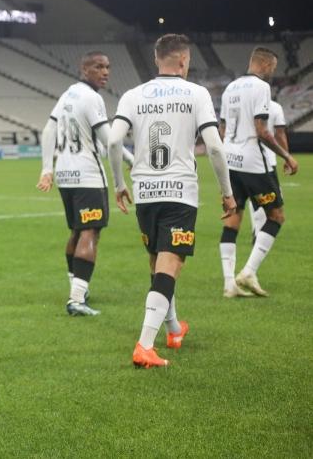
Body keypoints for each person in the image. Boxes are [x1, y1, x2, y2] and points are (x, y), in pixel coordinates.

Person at [108, 34, 237, 368]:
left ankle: (174, 329)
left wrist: (120, 184)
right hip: (179, 191)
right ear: (184, 61)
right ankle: (144, 346)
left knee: (157, 261)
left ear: (156, 59)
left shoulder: (133, 95)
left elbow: (112, 141)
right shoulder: (196, 94)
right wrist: (227, 192)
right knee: (171, 263)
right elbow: (215, 147)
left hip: (145, 192)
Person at [37, 51, 120, 316]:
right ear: (85, 69)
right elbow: (110, 140)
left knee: (76, 230)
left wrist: (47, 169)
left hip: (65, 174)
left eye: (107, 67)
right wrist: (130, 161)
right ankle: (76, 299)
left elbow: (48, 130)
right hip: (87, 175)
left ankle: (77, 288)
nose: (105, 72)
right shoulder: (91, 97)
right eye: (99, 67)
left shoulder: (67, 94)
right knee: (90, 231)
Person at [218, 48, 298, 298]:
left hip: (231, 161)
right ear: (263, 64)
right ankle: (249, 271)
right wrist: (287, 156)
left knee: (233, 220)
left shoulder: (230, 88)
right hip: (254, 162)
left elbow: (222, 129)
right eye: (272, 67)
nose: (272, 73)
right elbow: (262, 130)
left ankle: (229, 283)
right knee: (276, 216)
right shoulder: (261, 88)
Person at [249, 100, 288, 247]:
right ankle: (258, 232)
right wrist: (286, 156)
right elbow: (280, 133)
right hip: (266, 160)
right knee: (271, 200)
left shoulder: (248, 104)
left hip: (246, 159)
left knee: (258, 198)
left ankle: (257, 229)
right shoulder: (276, 107)